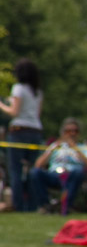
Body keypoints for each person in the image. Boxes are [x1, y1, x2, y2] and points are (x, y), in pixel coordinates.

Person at [0, 58, 44, 212]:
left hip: (19, 131)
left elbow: (14, 112)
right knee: (32, 171)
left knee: (16, 170)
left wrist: (2, 105)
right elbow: (36, 114)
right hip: (35, 131)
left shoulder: (18, 88)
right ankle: (32, 205)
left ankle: (18, 206)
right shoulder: (37, 92)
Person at [29, 118, 87, 215]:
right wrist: (52, 150)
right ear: (62, 133)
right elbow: (38, 165)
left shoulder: (83, 147)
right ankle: (45, 206)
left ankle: (65, 206)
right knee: (35, 173)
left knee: (78, 173)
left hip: (73, 176)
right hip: (54, 175)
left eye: (75, 131)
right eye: (68, 131)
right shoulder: (55, 146)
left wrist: (75, 148)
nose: (72, 133)